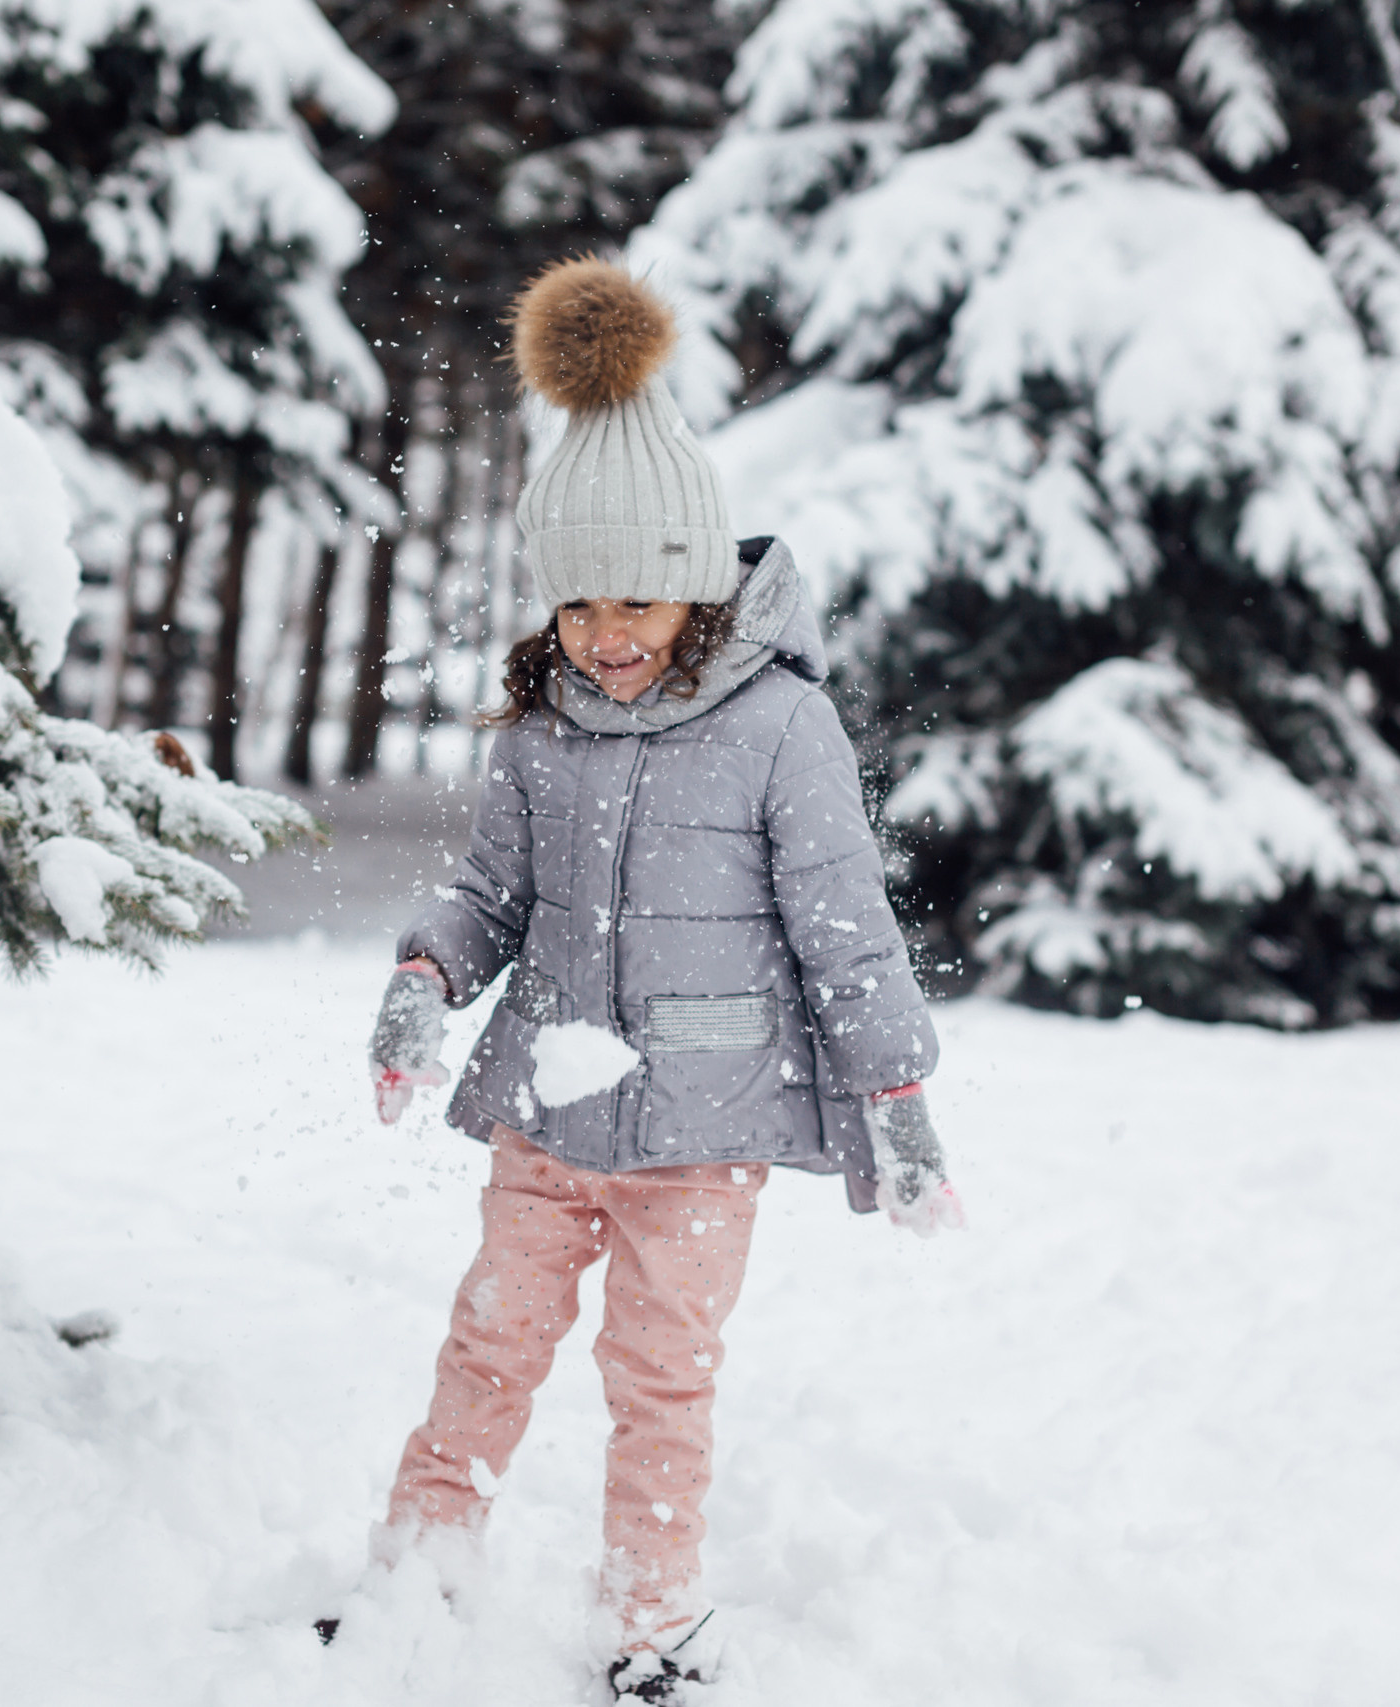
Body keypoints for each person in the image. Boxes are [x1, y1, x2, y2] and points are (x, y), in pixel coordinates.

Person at [361, 258, 964, 1704]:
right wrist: (428, 973)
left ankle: (649, 1619)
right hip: (544, 1117)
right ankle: (419, 1582)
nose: (607, 632)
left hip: (703, 1137)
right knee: (487, 1345)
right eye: (579, 604)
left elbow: (844, 924)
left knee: (659, 1383)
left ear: (694, 586)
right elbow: (491, 892)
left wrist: (896, 1087)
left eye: (636, 597)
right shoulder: (542, 731)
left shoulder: (781, 728)